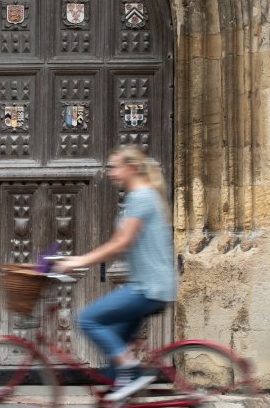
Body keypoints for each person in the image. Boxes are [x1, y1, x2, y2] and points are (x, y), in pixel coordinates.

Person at [55, 145, 177, 401]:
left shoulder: (141, 197)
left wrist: (80, 261)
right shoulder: (143, 196)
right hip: (148, 285)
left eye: (114, 166)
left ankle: (131, 371)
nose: (110, 172)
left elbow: (121, 242)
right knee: (113, 364)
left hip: (148, 288)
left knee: (88, 319)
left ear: (131, 168)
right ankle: (123, 385)